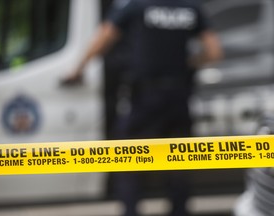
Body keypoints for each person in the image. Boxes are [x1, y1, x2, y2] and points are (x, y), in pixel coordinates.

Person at [62, 0, 223, 215]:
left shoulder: (136, 6)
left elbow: (105, 36)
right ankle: (179, 210)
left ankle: (131, 210)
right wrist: (188, 63)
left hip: (145, 96)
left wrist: (78, 70)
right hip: (178, 96)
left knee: (127, 155)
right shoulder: (190, 8)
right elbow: (214, 52)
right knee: (178, 157)